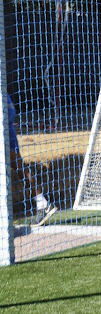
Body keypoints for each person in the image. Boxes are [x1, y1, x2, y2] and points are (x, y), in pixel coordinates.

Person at [5, 93, 57, 226]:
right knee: (18, 165)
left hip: (4, 119)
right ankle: (43, 203)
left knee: (18, 164)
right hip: (7, 118)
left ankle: (43, 204)